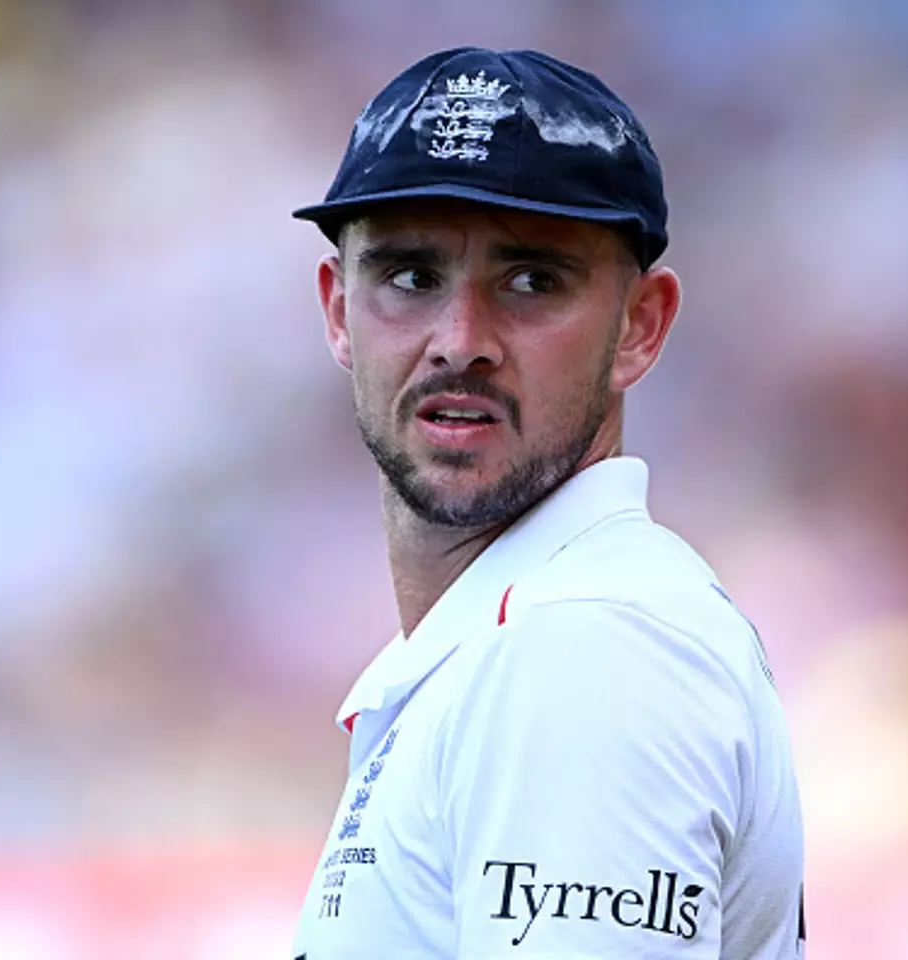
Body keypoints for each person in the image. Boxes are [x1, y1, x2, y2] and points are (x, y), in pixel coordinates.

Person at [290, 46, 805, 959]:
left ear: (638, 327)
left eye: (532, 280)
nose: (460, 341)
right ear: (338, 309)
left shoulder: (586, 643)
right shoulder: (521, 637)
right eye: (410, 276)